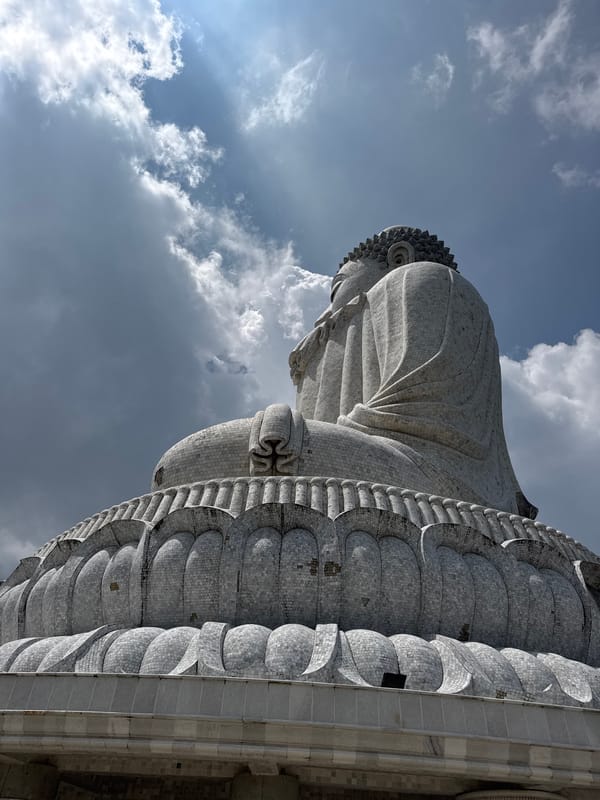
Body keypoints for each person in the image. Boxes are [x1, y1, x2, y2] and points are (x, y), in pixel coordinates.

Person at [289, 226, 536, 517]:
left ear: (399, 258)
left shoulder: (424, 278)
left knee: (262, 444)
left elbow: (422, 408)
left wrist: (302, 439)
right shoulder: (338, 334)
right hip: (352, 458)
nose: (326, 312)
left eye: (337, 288)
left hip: (427, 468)